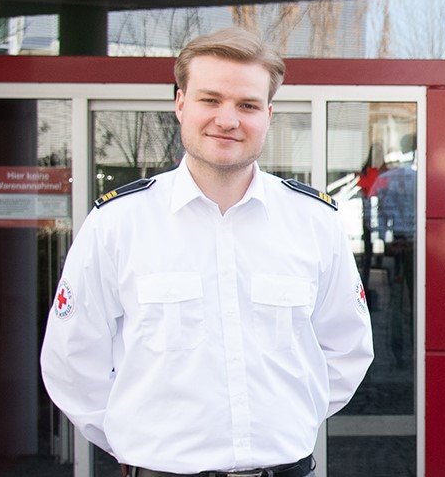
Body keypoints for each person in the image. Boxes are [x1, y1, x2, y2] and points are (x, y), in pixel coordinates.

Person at [40, 27, 372, 477]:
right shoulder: (118, 223)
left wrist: (284, 420)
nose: (228, 119)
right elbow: (72, 358)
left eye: (247, 105)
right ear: (180, 104)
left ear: (269, 114)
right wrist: (136, 443)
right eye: (210, 99)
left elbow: (346, 349)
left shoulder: (314, 223)